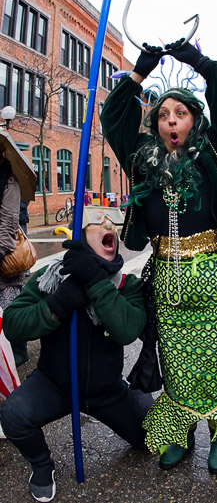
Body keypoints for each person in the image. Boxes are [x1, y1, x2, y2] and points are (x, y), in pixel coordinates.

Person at [100, 41, 217, 473]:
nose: (171, 121)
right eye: (163, 115)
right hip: (169, 280)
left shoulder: (215, 149)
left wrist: (197, 62)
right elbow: (113, 117)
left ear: (195, 119)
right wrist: (139, 72)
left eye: (180, 114)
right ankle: (181, 434)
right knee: (177, 366)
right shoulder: (143, 159)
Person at [0, 207, 151, 502]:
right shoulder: (50, 277)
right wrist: (57, 304)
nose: (108, 224)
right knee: (15, 416)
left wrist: (95, 282)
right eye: (98, 223)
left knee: (152, 438)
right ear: (80, 239)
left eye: (110, 224)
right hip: (55, 385)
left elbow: (127, 330)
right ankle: (42, 465)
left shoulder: (126, 285)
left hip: (107, 391)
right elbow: (14, 326)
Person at [0, 159, 28, 367]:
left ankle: (19, 351)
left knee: (9, 307)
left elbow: (8, 226)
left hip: (4, 258)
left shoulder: (9, 182)